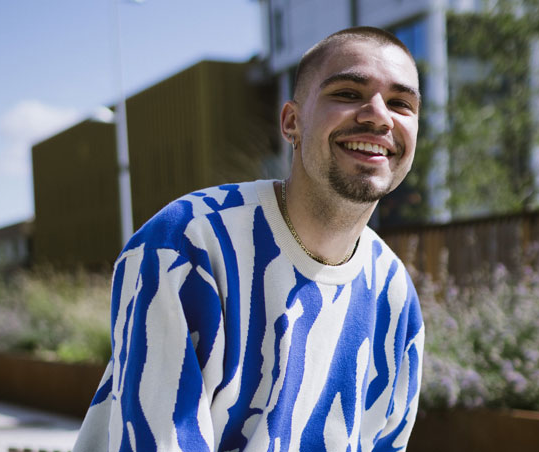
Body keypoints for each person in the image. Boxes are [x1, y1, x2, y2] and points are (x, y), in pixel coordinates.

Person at [73, 26, 425, 452]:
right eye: (348, 93)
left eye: (401, 103)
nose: (379, 116)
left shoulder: (393, 291)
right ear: (292, 122)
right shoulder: (187, 244)